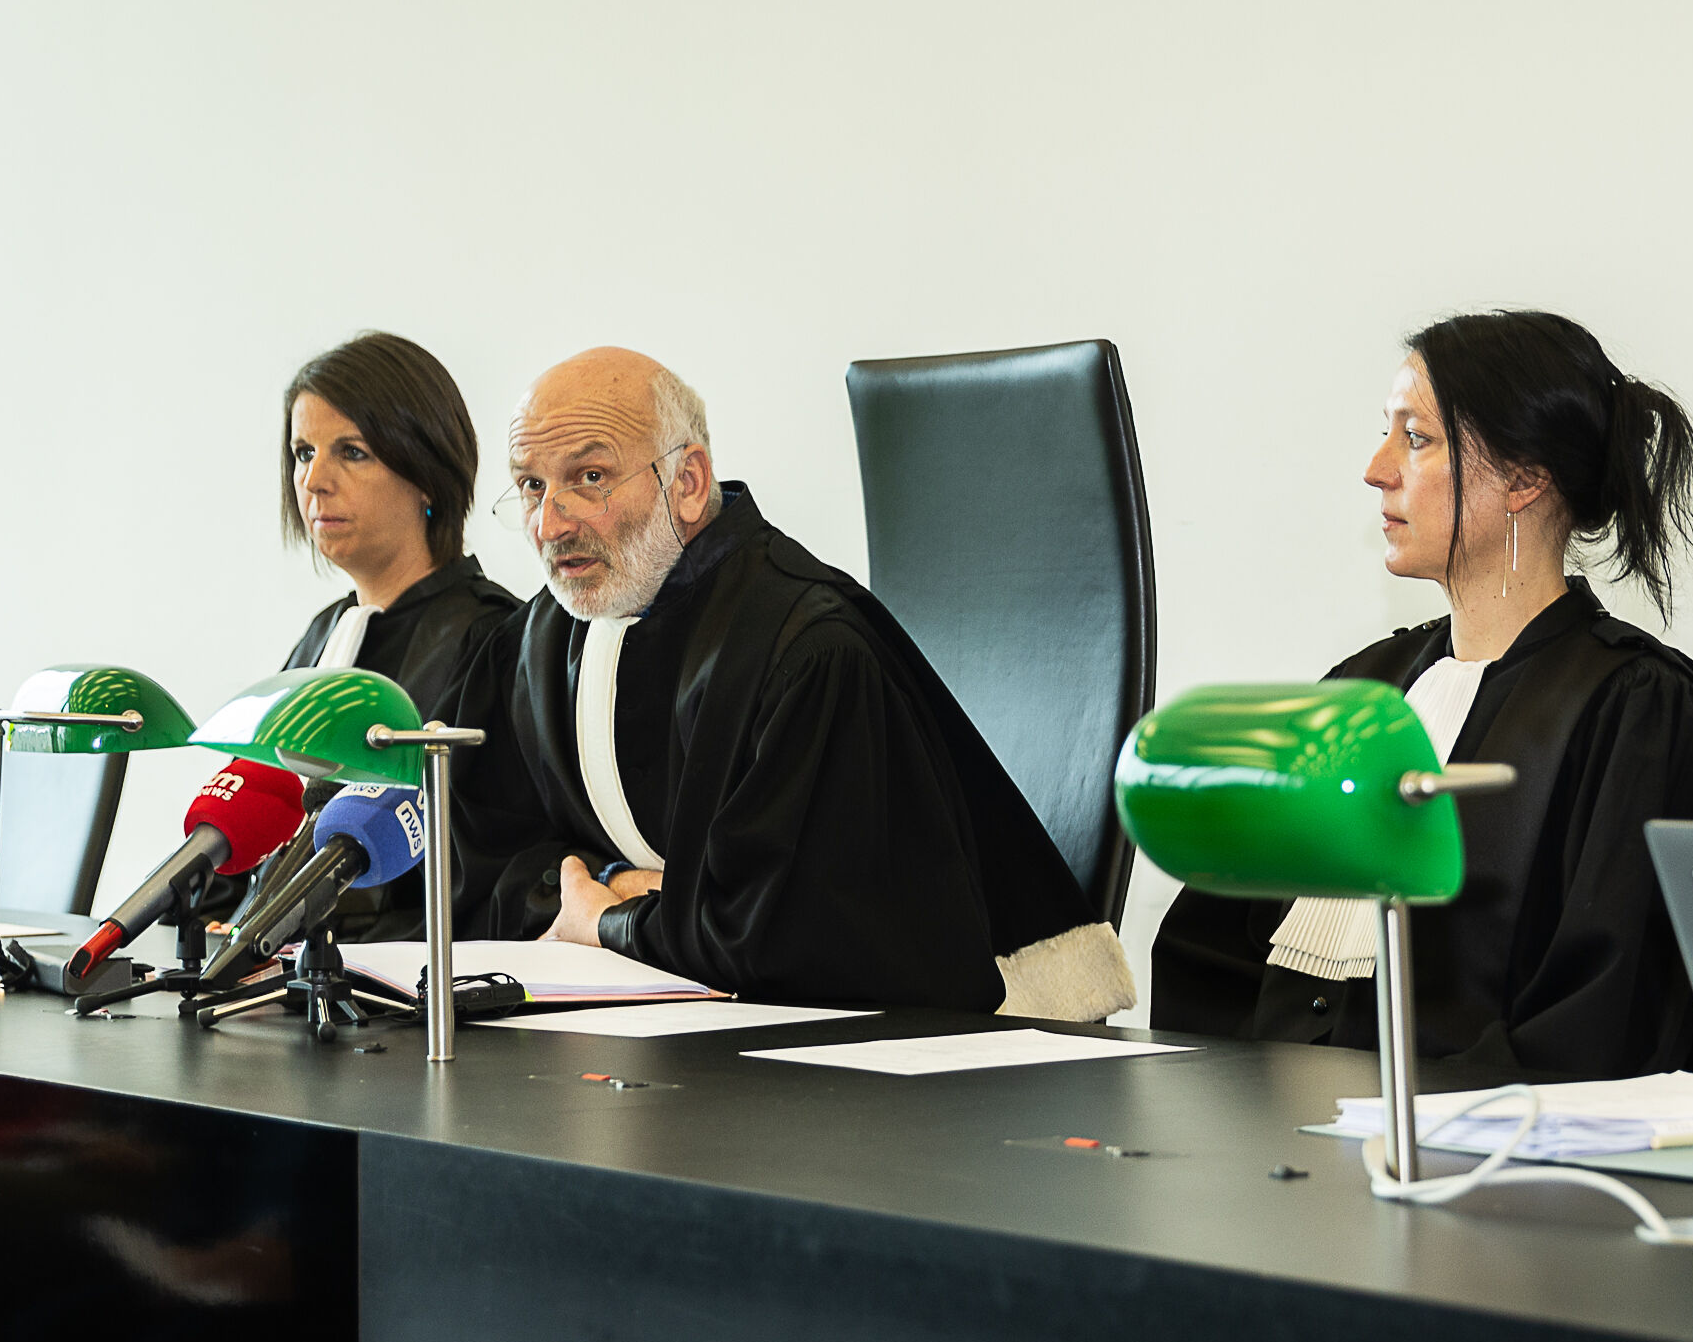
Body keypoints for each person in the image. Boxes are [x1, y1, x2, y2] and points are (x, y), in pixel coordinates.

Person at [1151, 310, 1693, 1078]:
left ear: (1523, 478)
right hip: (1274, 1125)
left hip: (1482, 1136)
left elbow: (1610, 1018)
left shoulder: (1638, 707)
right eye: (1386, 434)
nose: (1376, 469)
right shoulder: (1359, 689)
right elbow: (1208, 951)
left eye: (1417, 439)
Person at [454, 348, 1127, 1016]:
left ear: (687, 483)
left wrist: (608, 920)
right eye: (532, 486)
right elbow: (479, 868)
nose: (551, 524)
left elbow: (801, 938)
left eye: (591, 477)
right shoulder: (530, 645)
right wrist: (616, 885)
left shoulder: (808, 653)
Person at [258, 332, 522, 939]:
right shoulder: (325, 633)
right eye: (303, 453)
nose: (314, 480)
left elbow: (476, 881)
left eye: (351, 452)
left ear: (427, 472)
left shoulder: (491, 637)